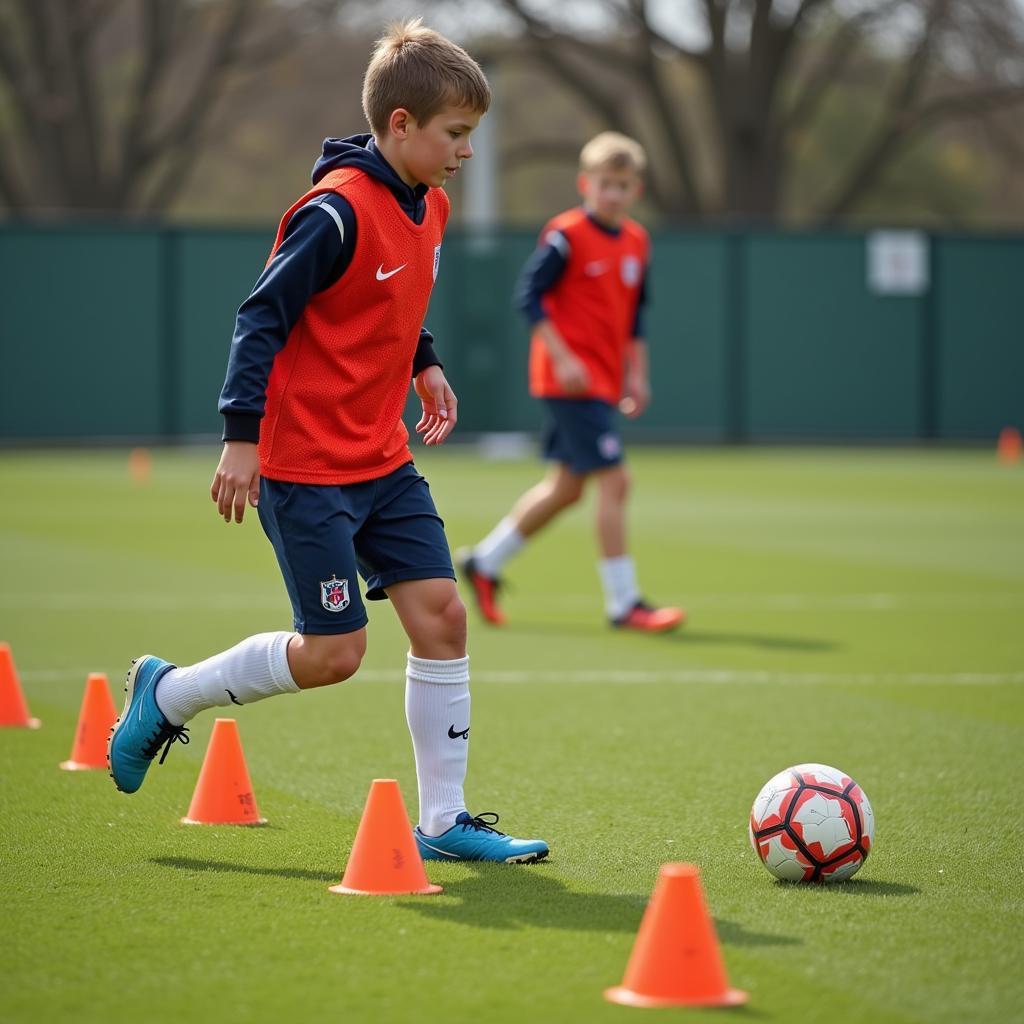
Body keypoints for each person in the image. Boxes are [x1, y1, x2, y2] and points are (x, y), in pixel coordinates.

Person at [108, 20, 548, 865]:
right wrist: (241, 438)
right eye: (455, 135)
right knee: (335, 655)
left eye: (471, 135)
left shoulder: (433, 204)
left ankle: (444, 822)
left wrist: (425, 365)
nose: (464, 152)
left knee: (443, 617)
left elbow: (391, 301)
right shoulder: (333, 211)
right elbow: (260, 317)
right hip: (306, 469)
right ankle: (170, 694)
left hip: (383, 461)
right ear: (401, 127)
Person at [459, 132, 685, 634]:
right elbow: (529, 298)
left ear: (636, 190)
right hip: (568, 383)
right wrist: (562, 358)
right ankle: (624, 603)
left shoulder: (637, 242)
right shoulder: (565, 234)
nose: (612, 194)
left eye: (622, 186)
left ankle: (485, 562)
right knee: (616, 480)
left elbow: (635, 320)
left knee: (565, 489)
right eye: (605, 184)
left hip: (604, 381)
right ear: (586, 183)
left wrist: (638, 376)